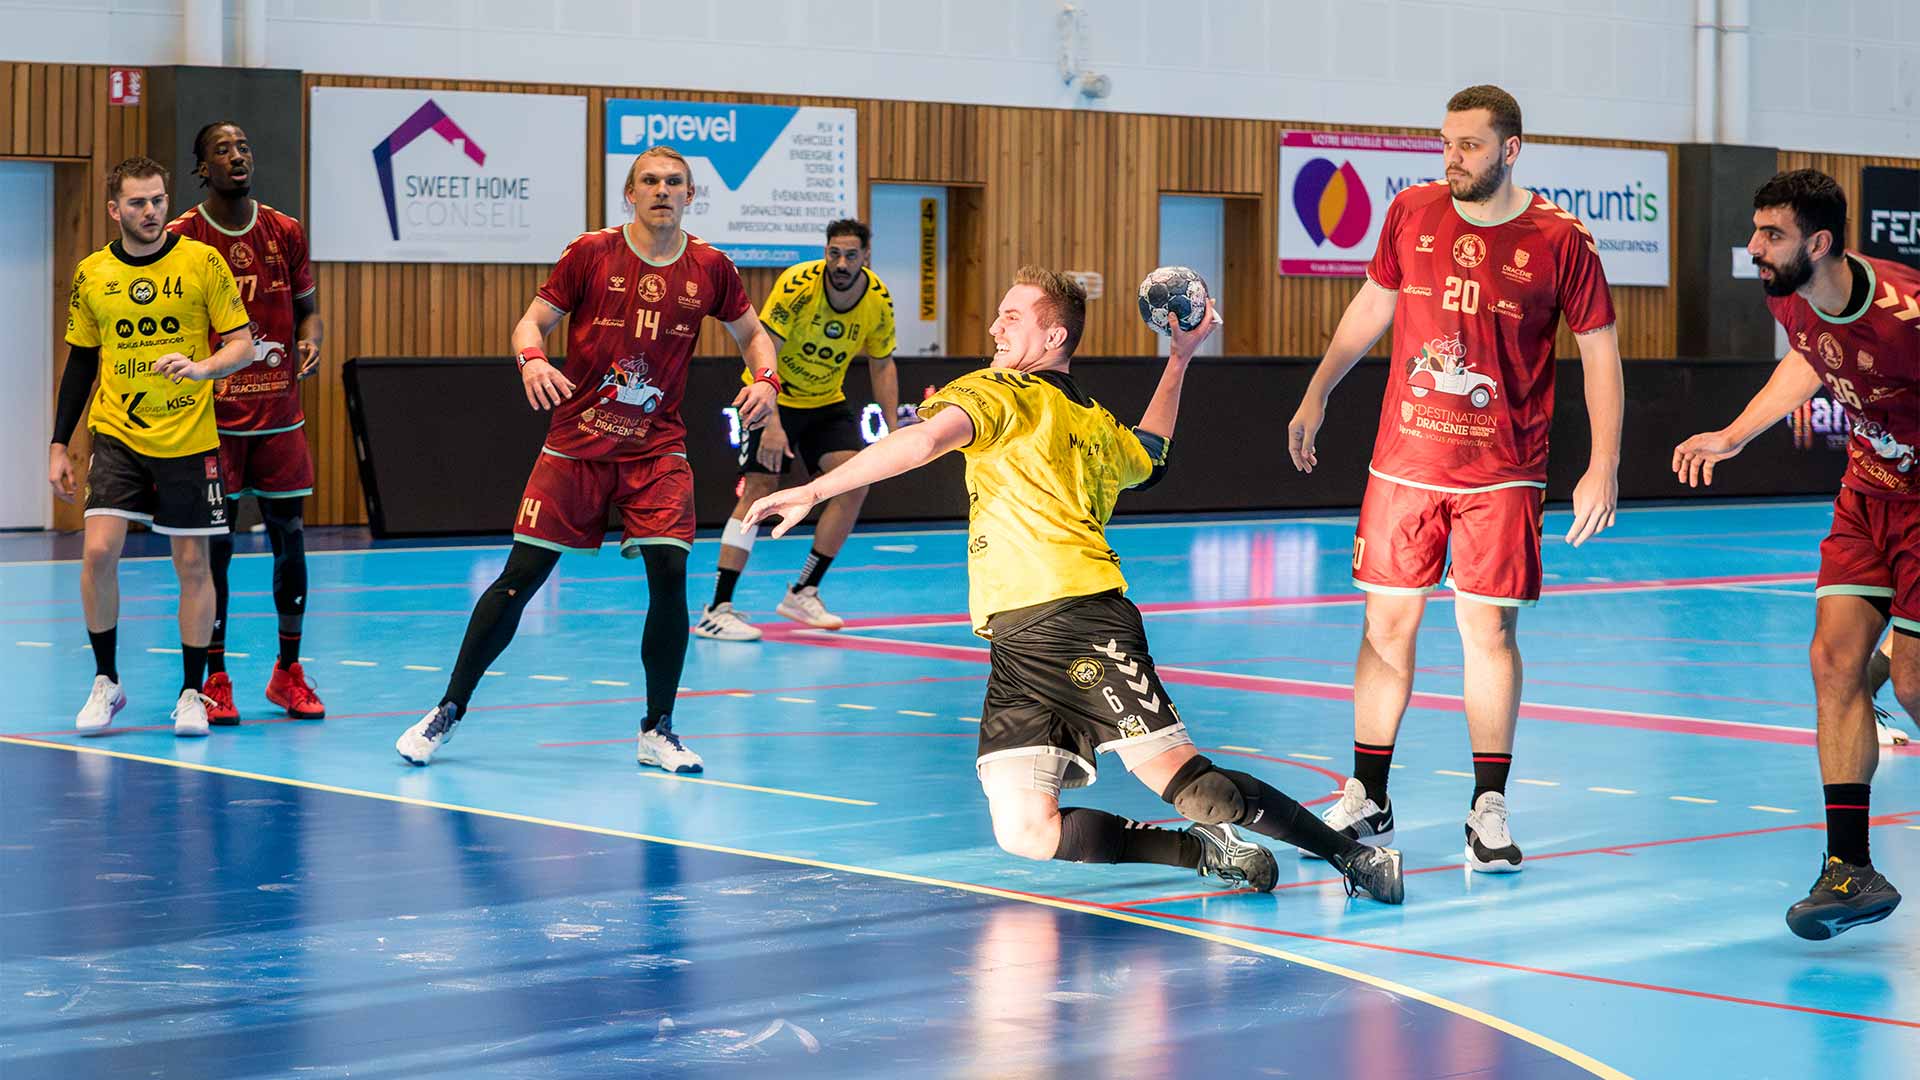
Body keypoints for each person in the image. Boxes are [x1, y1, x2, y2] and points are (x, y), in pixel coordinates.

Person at [746, 266, 1403, 903]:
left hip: (1082, 619)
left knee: (1200, 789)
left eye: (1012, 316)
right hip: (1015, 642)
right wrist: (1179, 360)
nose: (997, 329)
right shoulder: (1072, 414)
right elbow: (1151, 453)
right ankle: (1207, 852)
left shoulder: (1001, 393)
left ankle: (1357, 856)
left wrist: (815, 488)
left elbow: (921, 444)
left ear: (1053, 337)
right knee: (1026, 829)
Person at [1285, 84, 1624, 873]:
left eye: (1469, 145)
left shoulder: (1560, 239)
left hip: (1502, 474)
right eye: (1445, 143)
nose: (1452, 157)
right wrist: (1318, 390)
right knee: (1386, 630)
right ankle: (1368, 796)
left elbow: (1600, 351)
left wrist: (1602, 462)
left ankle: (1488, 807)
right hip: (1403, 463)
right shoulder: (1411, 212)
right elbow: (1373, 305)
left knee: (1489, 634)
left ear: (1510, 150)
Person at [394, 145, 780, 773]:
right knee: (518, 581)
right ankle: (447, 710)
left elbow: (753, 335)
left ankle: (658, 729)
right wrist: (533, 361)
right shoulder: (591, 253)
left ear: (690, 197)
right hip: (575, 449)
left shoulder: (712, 267)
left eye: (674, 182)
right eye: (649, 181)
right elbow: (530, 324)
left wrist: (765, 379)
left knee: (669, 580)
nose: (661, 190)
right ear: (629, 194)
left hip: (657, 452)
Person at [1673, 168, 1915, 940]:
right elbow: (1809, 355)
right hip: (1866, 499)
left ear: (1819, 242)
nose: (1753, 247)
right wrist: (1734, 435)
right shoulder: (1789, 291)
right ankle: (1850, 869)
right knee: (1834, 660)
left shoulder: (1907, 317)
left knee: (1910, 682)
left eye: (1770, 235)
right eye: (1755, 230)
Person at [51, 155, 257, 737]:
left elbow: (242, 344)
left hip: (189, 437)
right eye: (138, 203)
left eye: (159, 200)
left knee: (193, 563)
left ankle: (192, 692)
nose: (151, 212)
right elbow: (82, 362)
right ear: (114, 209)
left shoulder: (202, 262)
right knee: (97, 553)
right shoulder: (93, 274)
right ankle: (106, 681)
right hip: (117, 432)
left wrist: (199, 368)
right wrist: (58, 443)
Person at [167, 120, 327, 725]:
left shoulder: (285, 231)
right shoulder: (184, 237)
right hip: (213, 422)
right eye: (223, 150)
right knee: (219, 549)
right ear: (202, 167)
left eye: (244, 146)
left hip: (280, 417)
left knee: (291, 537)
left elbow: (308, 313)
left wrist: (310, 342)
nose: (238, 156)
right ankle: (215, 677)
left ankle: (289, 672)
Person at [694, 219, 903, 640]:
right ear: (825, 251)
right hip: (771, 395)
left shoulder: (878, 300)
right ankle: (717, 608)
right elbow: (762, 347)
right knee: (759, 488)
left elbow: (881, 363)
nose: (840, 263)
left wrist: (897, 428)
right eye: (834, 253)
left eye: (850, 255)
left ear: (866, 256)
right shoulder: (798, 283)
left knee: (853, 484)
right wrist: (770, 418)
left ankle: (803, 591)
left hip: (826, 400)